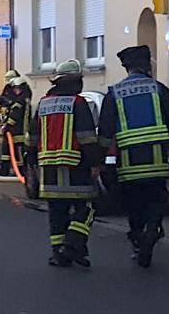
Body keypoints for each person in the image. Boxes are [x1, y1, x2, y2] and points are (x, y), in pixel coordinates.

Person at [98, 45, 169, 268]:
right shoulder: (159, 89)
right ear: (147, 66)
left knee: (134, 203)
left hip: (128, 163)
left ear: (126, 67)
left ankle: (138, 239)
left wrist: (103, 159)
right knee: (156, 200)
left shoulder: (114, 93)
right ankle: (152, 229)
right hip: (156, 161)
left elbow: (105, 134)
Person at [27, 59, 101, 268]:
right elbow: (87, 137)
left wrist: (30, 164)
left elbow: (31, 137)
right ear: (73, 82)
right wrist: (95, 163)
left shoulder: (43, 103)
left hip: (49, 170)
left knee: (56, 213)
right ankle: (72, 243)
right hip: (76, 167)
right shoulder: (78, 103)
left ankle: (59, 254)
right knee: (87, 209)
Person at [0, 77, 31, 177]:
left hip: (17, 132)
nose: (14, 90)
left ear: (21, 88)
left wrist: (8, 126)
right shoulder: (24, 98)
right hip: (16, 131)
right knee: (8, 152)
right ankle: (5, 170)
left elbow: (15, 115)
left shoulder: (20, 100)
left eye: (16, 88)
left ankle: (20, 172)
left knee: (18, 154)